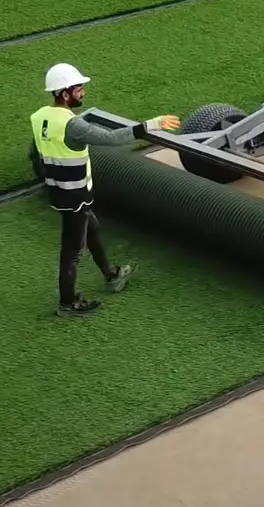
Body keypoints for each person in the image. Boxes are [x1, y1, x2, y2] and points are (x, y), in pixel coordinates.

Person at [30, 62, 180, 318]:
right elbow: (110, 139)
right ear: (64, 93)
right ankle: (68, 303)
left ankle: (112, 274)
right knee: (72, 251)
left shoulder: (40, 117)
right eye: (78, 89)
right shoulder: (72, 125)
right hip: (74, 196)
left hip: (59, 192)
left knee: (93, 229)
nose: (82, 93)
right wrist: (149, 125)